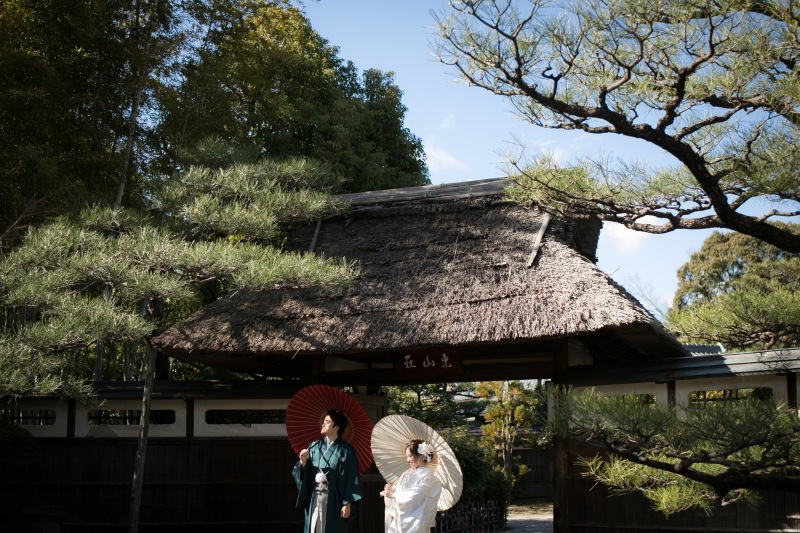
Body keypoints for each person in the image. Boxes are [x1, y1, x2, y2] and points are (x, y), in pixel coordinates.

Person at [292, 409, 361, 533]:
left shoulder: (345, 450)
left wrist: (347, 503)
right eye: (323, 421)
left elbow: (351, 477)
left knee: (331, 527)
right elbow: (303, 475)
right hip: (314, 497)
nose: (323, 424)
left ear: (336, 427)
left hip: (334, 499)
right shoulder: (314, 446)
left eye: (327, 422)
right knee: (313, 527)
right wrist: (303, 462)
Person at [380, 439, 443, 533]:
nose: (408, 460)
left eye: (410, 456)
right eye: (407, 457)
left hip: (416, 522)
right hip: (399, 520)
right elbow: (400, 489)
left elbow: (417, 493)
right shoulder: (406, 473)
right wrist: (390, 490)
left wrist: (394, 495)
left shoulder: (430, 478)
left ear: (421, 455)